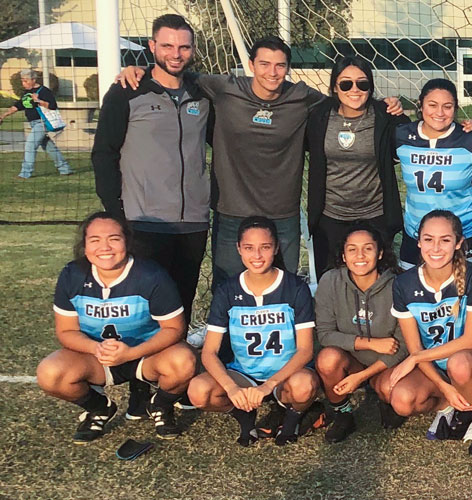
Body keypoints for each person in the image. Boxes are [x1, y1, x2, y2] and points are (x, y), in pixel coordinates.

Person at [113, 36, 405, 280]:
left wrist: (385, 104)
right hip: (232, 211)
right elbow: (178, 72)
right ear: (251, 65)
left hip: (283, 213)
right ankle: (224, 347)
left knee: (285, 285)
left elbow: (346, 100)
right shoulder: (225, 88)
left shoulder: (303, 97)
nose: (272, 72)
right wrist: (140, 70)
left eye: (280, 65)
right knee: (228, 285)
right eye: (264, 64)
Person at [92, 14, 210, 330]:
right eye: (168, 45)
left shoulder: (203, 94)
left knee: (181, 307)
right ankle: (140, 377)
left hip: (193, 222)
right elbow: (103, 154)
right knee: (144, 308)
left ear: (193, 50)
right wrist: (117, 212)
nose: (176, 54)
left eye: (184, 47)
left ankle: (174, 376)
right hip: (144, 221)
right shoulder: (126, 91)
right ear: (152, 45)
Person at [37, 213, 193, 443]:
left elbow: (174, 329)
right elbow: (66, 331)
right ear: (85, 245)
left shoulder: (151, 276)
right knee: (50, 373)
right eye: (95, 240)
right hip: (98, 358)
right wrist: (95, 348)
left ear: (127, 242)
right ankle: (99, 407)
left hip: (146, 355)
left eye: (114, 238)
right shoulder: (73, 275)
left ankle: (160, 405)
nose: (105, 247)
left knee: (184, 361)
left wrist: (131, 353)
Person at [188, 216, 319, 447]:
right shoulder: (228, 289)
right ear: (239, 248)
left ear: (276, 247)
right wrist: (232, 388)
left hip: (286, 374)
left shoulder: (294, 287)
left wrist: (270, 385)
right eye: (249, 248)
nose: (257, 256)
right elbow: (209, 352)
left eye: (265, 247)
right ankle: (244, 415)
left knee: (304, 386)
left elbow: (306, 350)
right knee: (199, 391)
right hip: (244, 373)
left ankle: (292, 419)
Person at [384, 210, 472, 455]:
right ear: (418, 241)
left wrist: (415, 358)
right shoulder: (404, 284)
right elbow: (416, 347)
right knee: (401, 399)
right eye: (428, 239)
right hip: (435, 365)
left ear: (458, 243)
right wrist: (443, 387)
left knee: (459, 363)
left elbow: (469, 340)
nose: (436, 247)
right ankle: (448, 405)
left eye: (445, 240)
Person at [306, 56, 410, 276]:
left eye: (362, 83)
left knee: (378, 281)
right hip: (330, 216)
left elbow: (422, 134)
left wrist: (466, 130)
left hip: (375, 215)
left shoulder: (385, 115)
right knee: (333, 282)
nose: (354, 89)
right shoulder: (319, 116)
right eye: (346, 83)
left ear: (370, 87)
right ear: (335, 87)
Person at [312, 225, 407, 443]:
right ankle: (343, 414)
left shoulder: (398, 284)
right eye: (352, 249)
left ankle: (384, 398)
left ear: (380, 253)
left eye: (368, 249)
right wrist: (370, 343)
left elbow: (403, 345)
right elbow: (325, 334)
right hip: (351, 359)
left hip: (386, 363)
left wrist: (362, 377)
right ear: (343, 255)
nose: (360, 256)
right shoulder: (330, 281)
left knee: (389, 390)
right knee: (327, 359)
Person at [394, 78, 472, 269]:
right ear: (420, 104)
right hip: (416, 235)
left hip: (465, 233)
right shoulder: (402, 136)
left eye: (447, 106)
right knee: (415, 293)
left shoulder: (470, 139)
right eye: (432, 105)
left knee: (465, 293)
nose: (440, 113)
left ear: (456, 108)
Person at [1, 69, 72, 178]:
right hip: (33, 123)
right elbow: (18, 105)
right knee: (49, 147)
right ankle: (65, 169)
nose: (23, 83)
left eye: (26, 81)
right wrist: (3, 115)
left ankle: (25, 173)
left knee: (30, 145)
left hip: (42, 123)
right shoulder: (26, 93)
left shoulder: (44, 91)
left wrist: (38, 100)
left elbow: (52, 106)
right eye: (22, 81)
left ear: (33, 80)